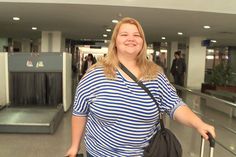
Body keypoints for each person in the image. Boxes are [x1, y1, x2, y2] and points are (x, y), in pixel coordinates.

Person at [65, 17, 215, 157]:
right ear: (115, 41)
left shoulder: (155, 75)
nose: (131, 38)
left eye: (137, 35)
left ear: (142, 42)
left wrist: (198, 123)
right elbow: (80, 112)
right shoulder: (95, 75)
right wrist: (74, 146)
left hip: (144, 153)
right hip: (100, 153)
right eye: (124, 34)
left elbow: (174, 104)